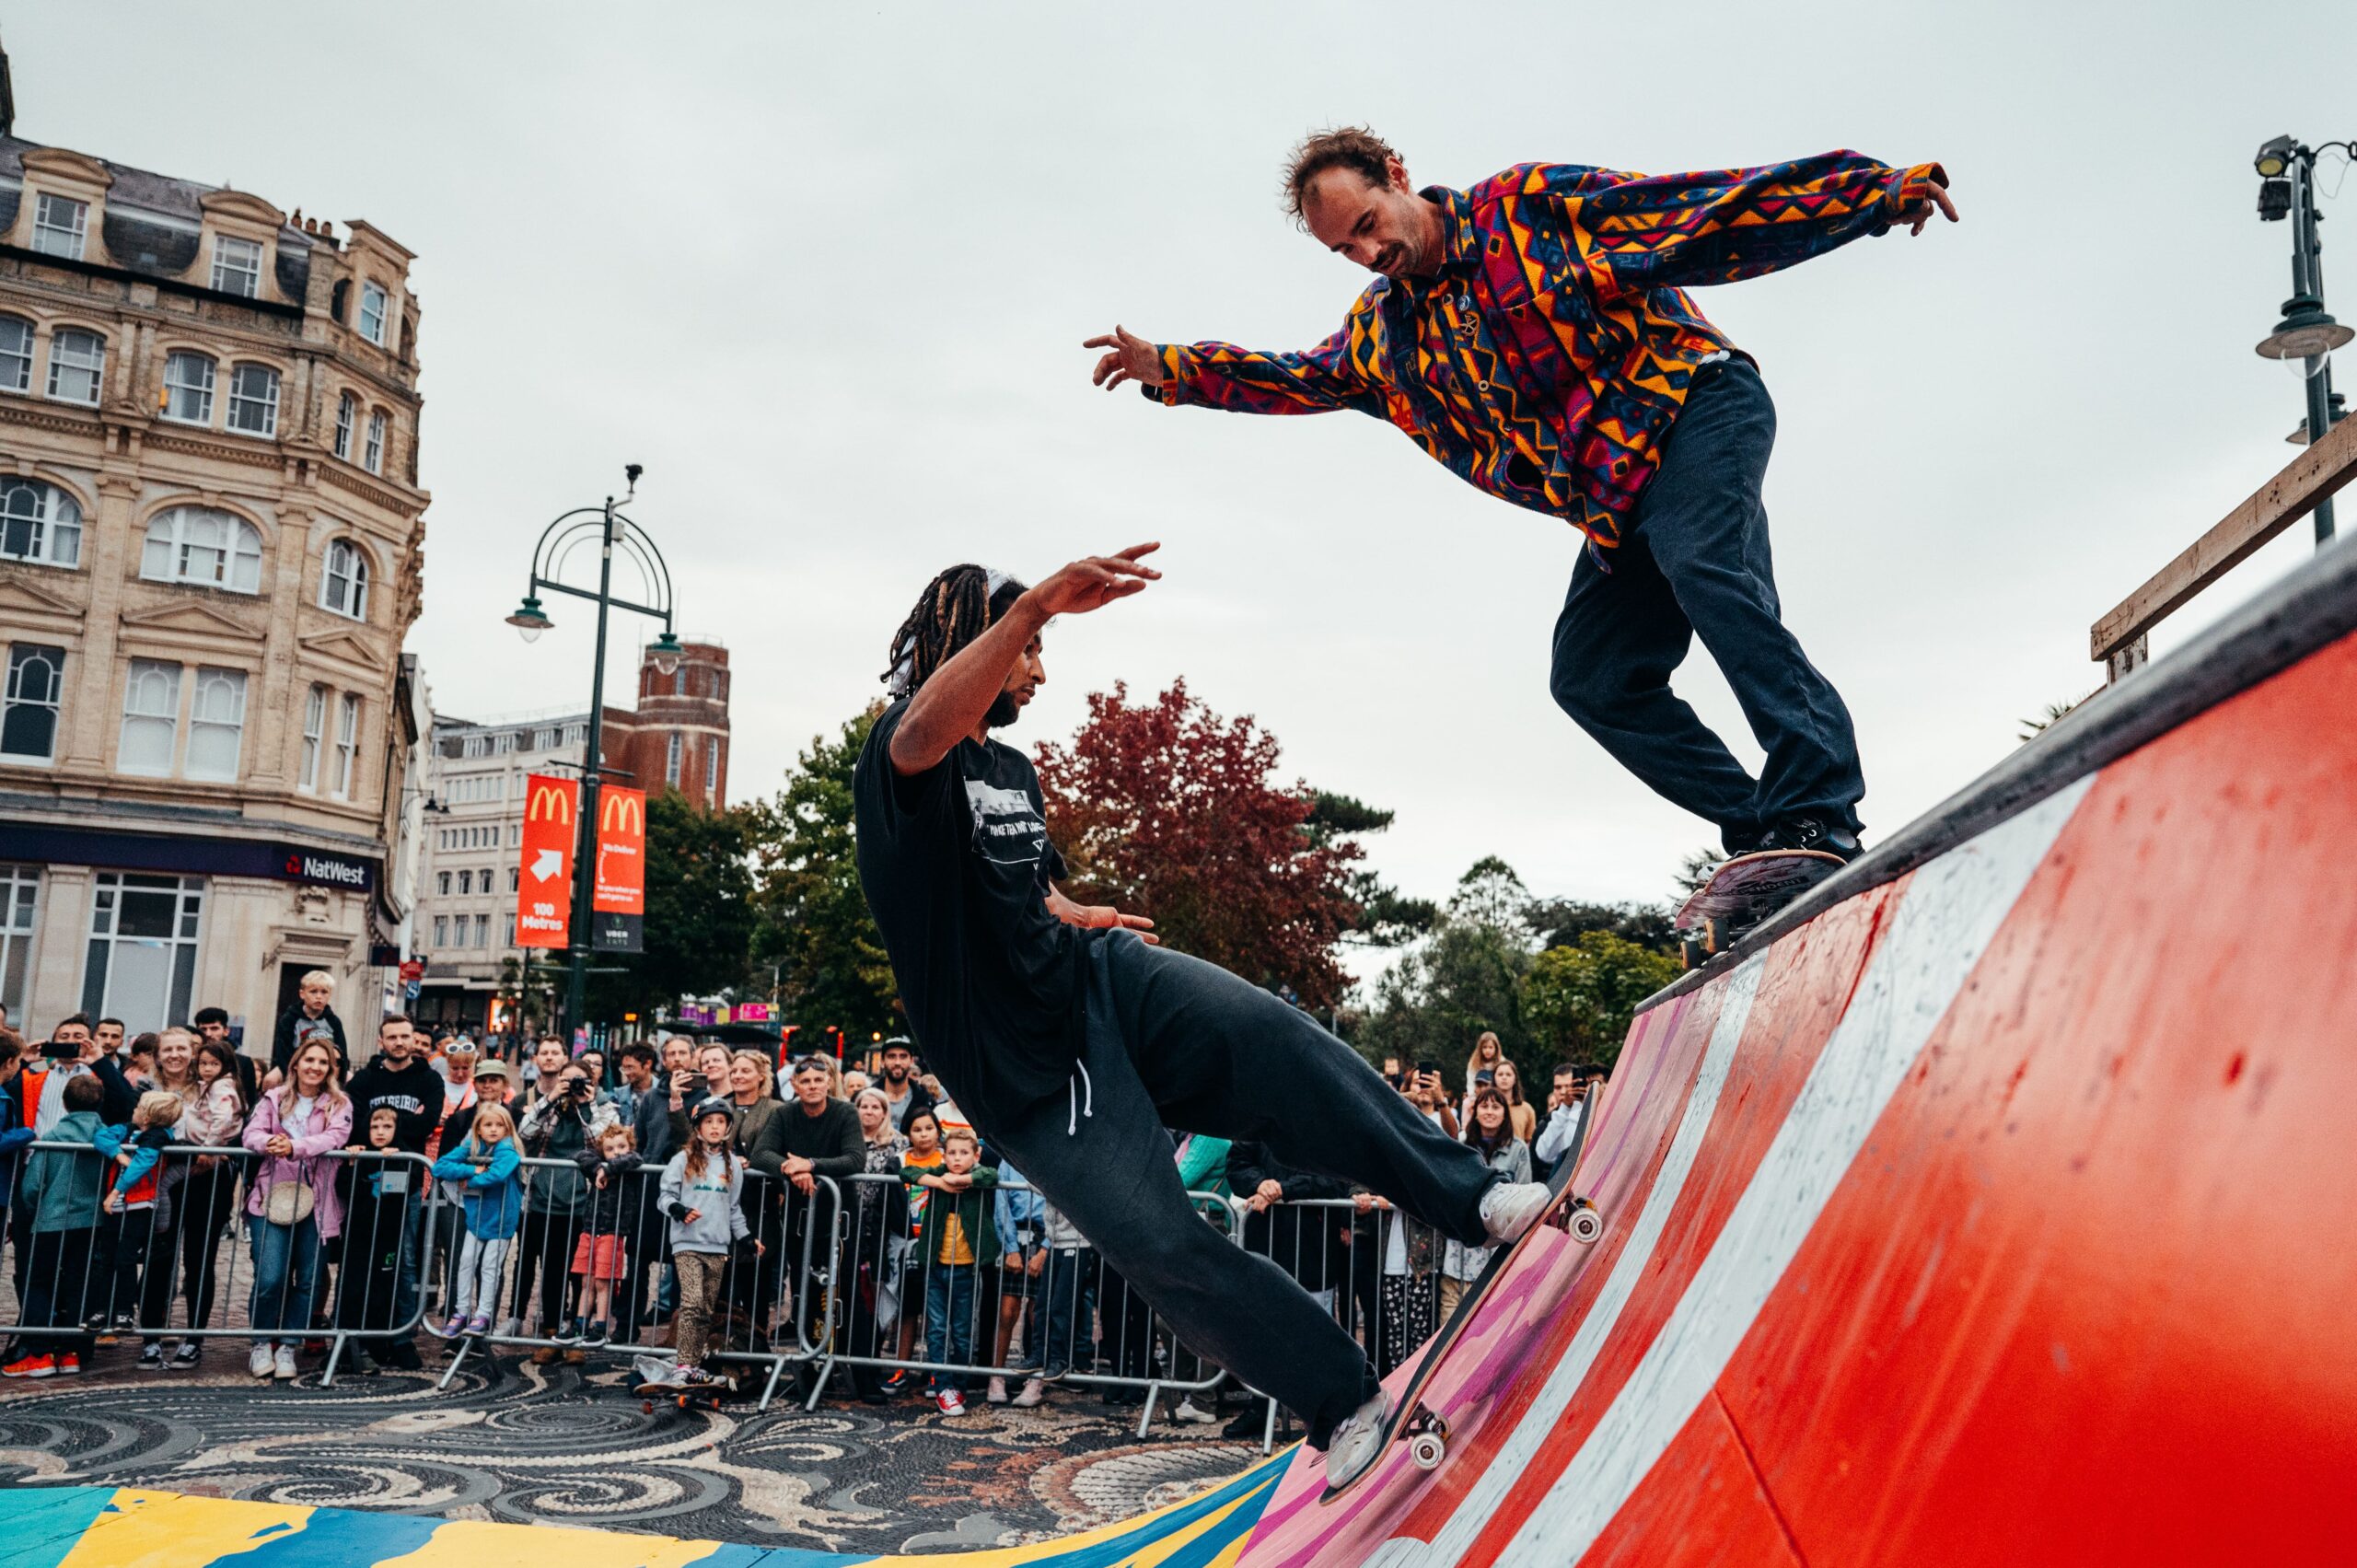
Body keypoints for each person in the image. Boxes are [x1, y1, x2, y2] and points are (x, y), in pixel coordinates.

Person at [1087, 133, 1959, 891]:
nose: (1366, 253)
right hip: (1617, 504)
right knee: (1590, 676)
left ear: (1397, 175)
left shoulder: (1528, 211)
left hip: (1695, 407)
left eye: (1367, 224)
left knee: (1707, 565)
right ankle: (1767, 832)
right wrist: (1174, 366)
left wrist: (1868, 193)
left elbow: (1695, 212)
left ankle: (1819, 805)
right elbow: (1293, 377)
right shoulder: (1383, 339)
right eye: (1342, 251)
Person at [853, 551, 1550, 1481]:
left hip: (1094, 978)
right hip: (1023, 1070)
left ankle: (1469, 1196)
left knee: (1273, 1038)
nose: (1040, 671)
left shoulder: (1014, 770)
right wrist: (1039, 603)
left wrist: (1074, 912)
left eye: (1040, 645)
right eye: (1029, 649)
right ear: (978, 637)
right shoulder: (901, 757)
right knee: (1157, 1238)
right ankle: (1340, 1396)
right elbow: (922, 732)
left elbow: (1027, 890)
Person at [241, 1039, 352, 1381]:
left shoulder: (339, 1103)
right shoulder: (273, 1098)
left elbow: (335, 1138)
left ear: (330, 1070)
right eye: (309, 1060)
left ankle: (289, 1344)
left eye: (322, 1062)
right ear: (296, 1063)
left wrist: (295, 1146)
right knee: (270, 1276)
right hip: (271, 1196)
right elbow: (250, 1134)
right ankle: (261, 1342)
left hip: (316, 1202)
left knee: (308, 1279)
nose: (315, 1067)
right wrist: (268, 1143)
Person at [345, 1015, 443, 1370]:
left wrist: (389, 1128)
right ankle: (363, 1335)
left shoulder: (429, 1079)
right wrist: (403, 1125)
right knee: (363, 1260)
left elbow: (428, 1121)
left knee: (403, 1260)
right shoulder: (366, 1079)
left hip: (408, 1182)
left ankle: (401, 1337)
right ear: (380, 1041)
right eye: (393, 1037)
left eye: (406, 1036)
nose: (400, 1042)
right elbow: (355, 1123)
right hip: (365, 1186)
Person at [749, 1056, 862, 1353]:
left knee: (843, 1291)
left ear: (828, 1083)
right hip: (801, 1217)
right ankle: (809, 1359)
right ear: (795, 1086)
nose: (812, 1086)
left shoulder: (845, 1112)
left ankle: (850, 1360)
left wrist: (811, 1165)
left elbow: (854, 1158)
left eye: (818, 1080)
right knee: (804, 1290)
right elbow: (762, 1154)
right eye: (806, 1081)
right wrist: (791, 1167)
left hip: (841, 1218)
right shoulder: (785, 1114)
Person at [5, 1072, 110, 1378]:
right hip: (90, 1221)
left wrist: (32, 1208)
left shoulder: (51, 1138)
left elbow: (33, 1186)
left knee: (40, 1283)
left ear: (64, 1103)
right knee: (77, 1284)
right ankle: (70, 1351)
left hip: (51, 1220)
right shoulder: (105, 1138)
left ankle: (39, 1354)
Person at [516, 1051, 617, 1358]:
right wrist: (550, 1100)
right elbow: (525, 1132)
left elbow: (601, 1143)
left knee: (581, 1273)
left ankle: (576, 1333)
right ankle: (552, 1333)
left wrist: (585, 1106)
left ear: (592, 1081)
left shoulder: (604, 1109)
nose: (572, 1086)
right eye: (567, 1080)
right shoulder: (548, 1106)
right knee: (552, 1270)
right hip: (544, 1198)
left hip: (585, 1200)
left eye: (578, 1081)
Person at [658, 1098, 755, 1386]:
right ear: (698, 1127)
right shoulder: (683, 1159)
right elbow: (664, 1196)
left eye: (720, 1123)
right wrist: (679, 1210)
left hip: (718, 1247)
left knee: (706, 1311)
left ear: (727, 1128)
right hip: (687, 1244)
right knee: (691, 1302)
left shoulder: (733, 1166)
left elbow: (733, 1208)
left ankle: (696, 1363)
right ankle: (683, 1364)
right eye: (709, 1122)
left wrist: (747, 1238)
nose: (715, 1127)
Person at [905, 1124, 998, 1415]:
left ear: (976, 1154)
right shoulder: (939, 1173)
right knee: (936, 1328)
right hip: (937, 1267)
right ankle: (942, 1384)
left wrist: (965, 1179)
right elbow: (905, 1173)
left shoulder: (978, 1177)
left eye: (964, 1153)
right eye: (952, 1153)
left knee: (961, 1330)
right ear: (944, 1155)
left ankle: (958, 1384)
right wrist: (939, 1182)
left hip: (967, 1269)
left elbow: (991, 1175)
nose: (957, 1158)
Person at [165, 1038, 247, 1367]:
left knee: (200, 1258)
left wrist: (210, 1151)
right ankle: (153, 1337)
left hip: (209, 1169)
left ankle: (193, 1338)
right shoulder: (195, 1087)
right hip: (177, 1167)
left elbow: (223, 1120)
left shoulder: (223, 1088)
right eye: (204, 1064)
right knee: (163, 1253)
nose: (207, 1069)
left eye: (213, 1064)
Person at [98, 1087, 184, 1353]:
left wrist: (115, 1191)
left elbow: (142, 1164)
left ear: (146, 1117)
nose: (132, 1110)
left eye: (138, 1108)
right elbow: (100, 1136)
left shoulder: (156, 1138)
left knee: (125, 1259)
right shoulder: (126, 1129)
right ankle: (105, 1309)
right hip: (120, 1207)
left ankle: (124, 1310)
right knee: (107, 1258)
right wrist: (118, 1153)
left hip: (139, 1205)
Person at [332, 1107, 418, 1374]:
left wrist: (396, 1160)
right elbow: (342, 1188)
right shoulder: (359, 1155)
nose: (380, 1133)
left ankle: (379, 1344)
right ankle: (349, 1344)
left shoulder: (402, 1155)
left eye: (387, 1127)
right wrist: (351, 1163)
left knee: (382, 1290)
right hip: (358, 1237)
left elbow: (410, 1186)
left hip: (388, 1238)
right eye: (375, 1127)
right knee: (353, 1288)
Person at [1440, 1088, 1534, 1318]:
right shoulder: (1462, 1143)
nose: (1489, 1112)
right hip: (1460, 1252)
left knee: (1488, 1321)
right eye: (1484, 1106)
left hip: (1497, 1254)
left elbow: (1524, 1193)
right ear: (1475, 1111)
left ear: (1505, 1113)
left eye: (1495, 1107)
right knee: (1450, 1321)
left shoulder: (1518, 1148)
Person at [842, 1086, 909, 1404]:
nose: (868, 1112)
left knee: (879, 1303)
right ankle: (850, 1367)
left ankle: (872, 1365)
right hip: (848, 1233)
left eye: (874, 1107)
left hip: (882, 1234)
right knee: (851, 1303)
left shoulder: (898, 1145)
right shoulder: (847, 1142)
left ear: (884, 1112)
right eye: (862, 1106)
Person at [433, 1102, 523, 1338]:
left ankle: (483, 1314)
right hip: (477, 1215)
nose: (493, 1129)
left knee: (490, 1267)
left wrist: (470, 1182)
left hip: (502, 1218)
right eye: (488, 1124)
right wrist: (471, 1171)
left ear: (507, 1128)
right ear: (479, 1128)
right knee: (466, 1262)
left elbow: (497, 1174)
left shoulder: (508, 1149)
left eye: (499, 1125)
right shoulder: (472, 1146)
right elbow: (440, 1166)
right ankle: (461, 1311)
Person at [886, 1108, 946, 1383]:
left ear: (938, 1130)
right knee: (908, 1309)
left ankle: (937, 1371)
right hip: (908, 1243)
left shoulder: (948, 1159)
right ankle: (901, 1368)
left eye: (929, 1128)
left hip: (942, 1245)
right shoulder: (899, 1161)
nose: (924, 1135)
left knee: (938, 1311)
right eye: (917, 1129)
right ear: (908, 1133)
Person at [569, 1123, 642, 1347]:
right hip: (591, 1229)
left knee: (603, 1282)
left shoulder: (628, 1167)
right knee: (586, 1281)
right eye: (610, 1149)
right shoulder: (599, 1164)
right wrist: (599, 1167)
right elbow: (580, 1154)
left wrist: (608, 1168)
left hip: (613, 1231)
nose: (617, 1152)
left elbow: (634, 1159)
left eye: (622, 1146)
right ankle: (580, 1324)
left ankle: (600, 1326)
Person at [984, 1156, 1046, 1405]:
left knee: (1037, 1312)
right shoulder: (1008, 1162)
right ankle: (996, 1376)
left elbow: (1063, 1206)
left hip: (1043, 1236)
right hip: (1014, 1234)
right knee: (1008, 1311)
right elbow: (1002, 1204)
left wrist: (1045, 1250)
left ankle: (1036, 1379)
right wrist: (1010, 1248)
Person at [269, 970, 348, 1082]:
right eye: (313, 992)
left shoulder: (333, 1021)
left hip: (326, 1066)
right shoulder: (289, 1019)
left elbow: (342, 1051)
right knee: (270, 1079)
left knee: (351, 1079)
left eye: (324, 992)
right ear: (302, 994)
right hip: (295, 1065)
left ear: (329, 995)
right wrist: (292, 1073)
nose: (319, 997)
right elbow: (283, 1051)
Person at [1533, 1062, 1587, 1178]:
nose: (1563, 1092)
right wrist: (1565, 1109)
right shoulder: (1546, 1122)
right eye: (1558, 1087)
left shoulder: (1592, 1114)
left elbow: (1575, 1153)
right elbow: (1543, 1155)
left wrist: (1576, 1106)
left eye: (1568, 1086)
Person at [874, 1040, 935, 1135]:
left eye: (903, 1057)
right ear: (882, 1062)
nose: (897, 1062)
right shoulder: (868, 1096)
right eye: (891, 1056)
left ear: (911, 1061)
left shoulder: (925, 1099)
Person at [1489, 1060, 1538, 1146]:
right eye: (1500, 1074)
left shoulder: (1526, 1109)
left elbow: (1529, 1140)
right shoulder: (1486, 1108)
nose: (1504, 1078)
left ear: (1515, 1079)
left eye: (1508, 1074)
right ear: (1494, 1078)